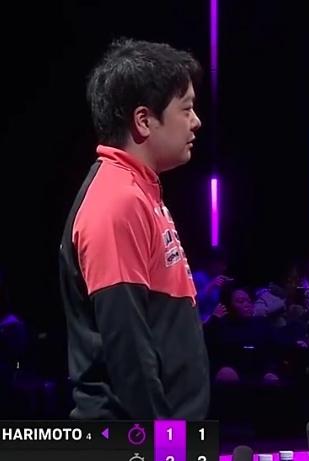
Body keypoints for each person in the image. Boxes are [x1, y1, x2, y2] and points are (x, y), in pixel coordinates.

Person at [59, 38, 209, 419]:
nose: (196, 121)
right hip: (133, 439)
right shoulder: (116, 202)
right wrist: (166, 444)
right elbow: (128, 351)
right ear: (144, 120)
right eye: (186, 109)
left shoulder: (140, 192)